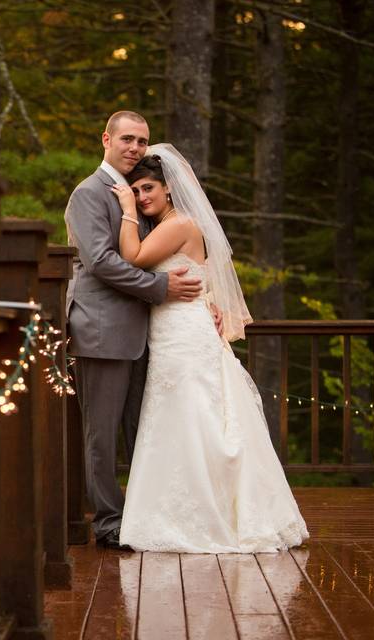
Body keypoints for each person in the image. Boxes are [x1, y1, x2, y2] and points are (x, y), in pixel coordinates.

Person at [112, 145, 308, 553]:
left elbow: (132, 257)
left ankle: (210, 515)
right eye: (137, 190)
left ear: (169, 189)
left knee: (195, 417)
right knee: (179, 419)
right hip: (172, 332)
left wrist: (127, 208)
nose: (143, 196)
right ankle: (179, 511)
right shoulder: (169, 224)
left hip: (185, 336)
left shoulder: (179, 224)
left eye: (148, 188)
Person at [63, 111, 214, 550]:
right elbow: (102, 262)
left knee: (144, 430)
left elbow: (173, 251)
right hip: (102, 330)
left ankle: (146, 516)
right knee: (102, 435)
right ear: (106, 138)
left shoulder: (142, 195)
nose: (134, 147)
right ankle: (109, 525)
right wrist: (162, 287)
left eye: (142, 141)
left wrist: (207, 305)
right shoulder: (89, 194)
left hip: (151, 335)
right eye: (127, 139)